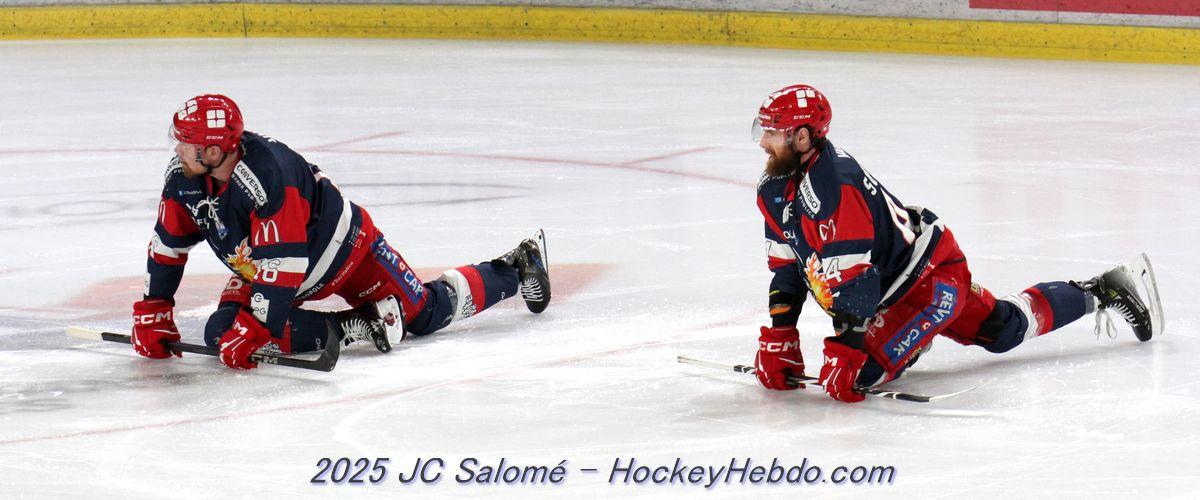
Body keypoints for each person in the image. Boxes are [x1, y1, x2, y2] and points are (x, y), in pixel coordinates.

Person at [749, 84, 1164, 403]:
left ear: (802, 138)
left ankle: (917, 331)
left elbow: (856, 282)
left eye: (773, 132)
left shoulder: (835, 187)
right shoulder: (774, 187)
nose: (763, 141)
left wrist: (847, 348)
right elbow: (788, 268)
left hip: (929, 283)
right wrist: (781, 335)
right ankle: (1101, 290)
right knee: (1002, 330)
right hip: (900, 282)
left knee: (862, 373)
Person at [131, 94, 551, 370]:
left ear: (212, 150)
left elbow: (285, 262)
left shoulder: (268, 174)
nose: (177, 149)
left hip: (347, 253)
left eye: (185, 142)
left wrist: (259, 327)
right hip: (268, 270)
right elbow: (167, 247)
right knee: (222, 331)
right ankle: (354, 325)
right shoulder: (183, 178)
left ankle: (517, 267)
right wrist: (155, 308)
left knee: (423, 315)